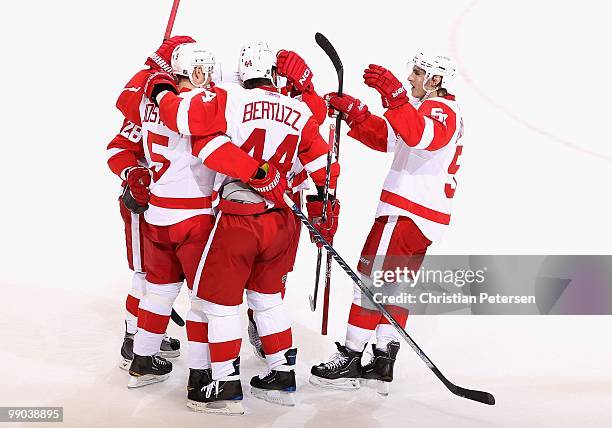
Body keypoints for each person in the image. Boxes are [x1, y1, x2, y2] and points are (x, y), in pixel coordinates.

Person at [144, 40, 340, 415]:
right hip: (283, 221)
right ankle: (282, 375)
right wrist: (323, 205)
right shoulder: (299, 108)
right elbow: (322, 162)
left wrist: (160, 88)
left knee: (216, 305)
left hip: (239, 219)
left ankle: (224, 385)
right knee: (267, 300)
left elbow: (191, 128)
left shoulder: (228, 97)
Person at [309, 52, 464, 395]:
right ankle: (383, 357)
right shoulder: (426, 110)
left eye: (418, 73)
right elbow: (390, 138)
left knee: (370, 281)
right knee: (394, 286)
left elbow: (422, 136)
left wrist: (395, 99)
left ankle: (350, 356)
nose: (410, 78)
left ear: (436, 79)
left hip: (406, 214)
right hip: (422, 218)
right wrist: (356, 115)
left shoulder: (440, 110)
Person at [106, 36, 195, 371]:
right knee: (145, 276)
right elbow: (117, 148)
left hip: (172, 206)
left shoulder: (187, 106)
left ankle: (146, 331)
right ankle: (134, 338)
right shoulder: (148, 106)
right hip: (144, 205)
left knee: (163, 278)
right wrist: (132, 173)